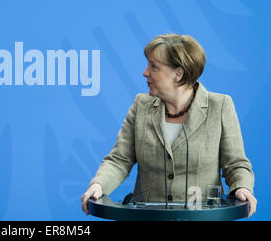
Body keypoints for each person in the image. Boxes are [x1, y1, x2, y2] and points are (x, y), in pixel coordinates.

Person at [81, 34, 257, 217]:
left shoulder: (219, 106)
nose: (145, 72)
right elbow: (120, 160)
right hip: (148, 218)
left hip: (200, 218)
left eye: (153, 66)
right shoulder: (141, 106)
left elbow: (236, 164)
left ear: (178, 74)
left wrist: (242, 187)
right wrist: (98, 184)